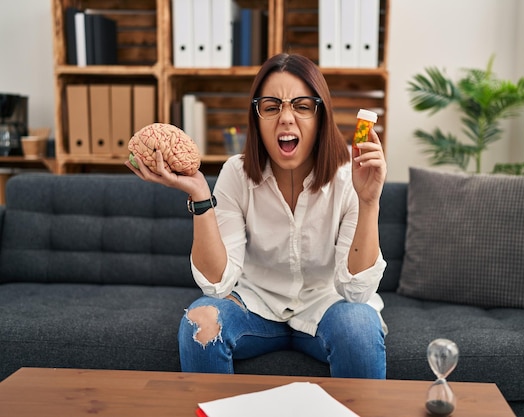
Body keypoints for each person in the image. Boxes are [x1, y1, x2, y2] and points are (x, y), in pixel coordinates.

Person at [125, 53, 388, 379]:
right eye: (271, 106)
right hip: (257, 307)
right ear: (257, 117)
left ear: (321, 116)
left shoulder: (349, 176)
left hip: (326, 306)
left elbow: (357, 293)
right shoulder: (236, 173)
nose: (287, 118)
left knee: (359, 326)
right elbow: (217, 286)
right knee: (201, 321)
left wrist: (369, 202)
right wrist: (200, 195)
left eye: (302, 106)